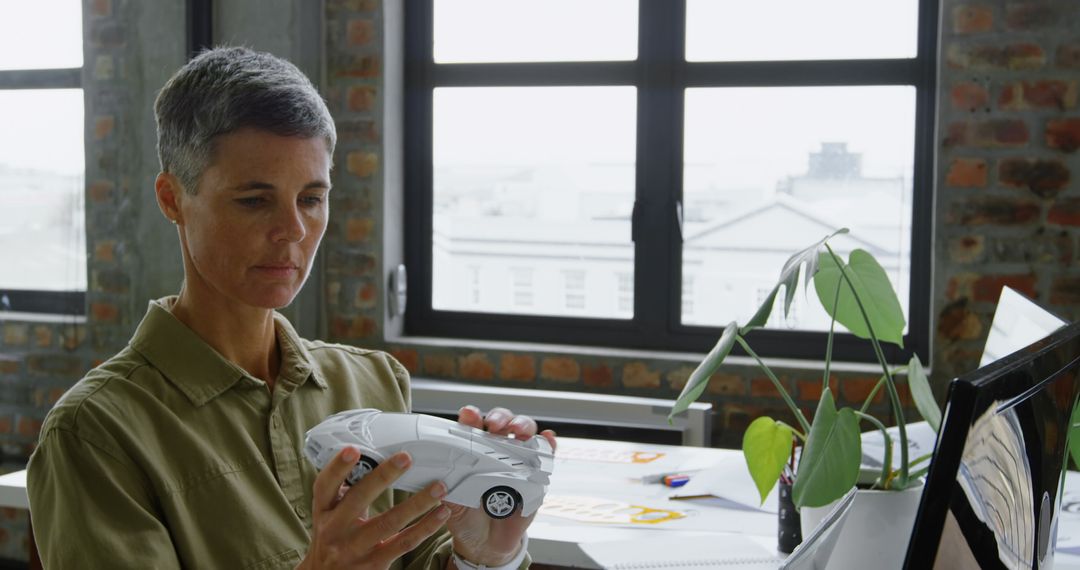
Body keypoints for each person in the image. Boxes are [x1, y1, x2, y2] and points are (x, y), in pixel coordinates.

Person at [27, 46, 555, 569]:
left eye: (311, 199)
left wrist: (484, 556)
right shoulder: (95, 434)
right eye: (254, 200)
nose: (293, 230)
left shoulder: (373, 384)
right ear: (172, 199)